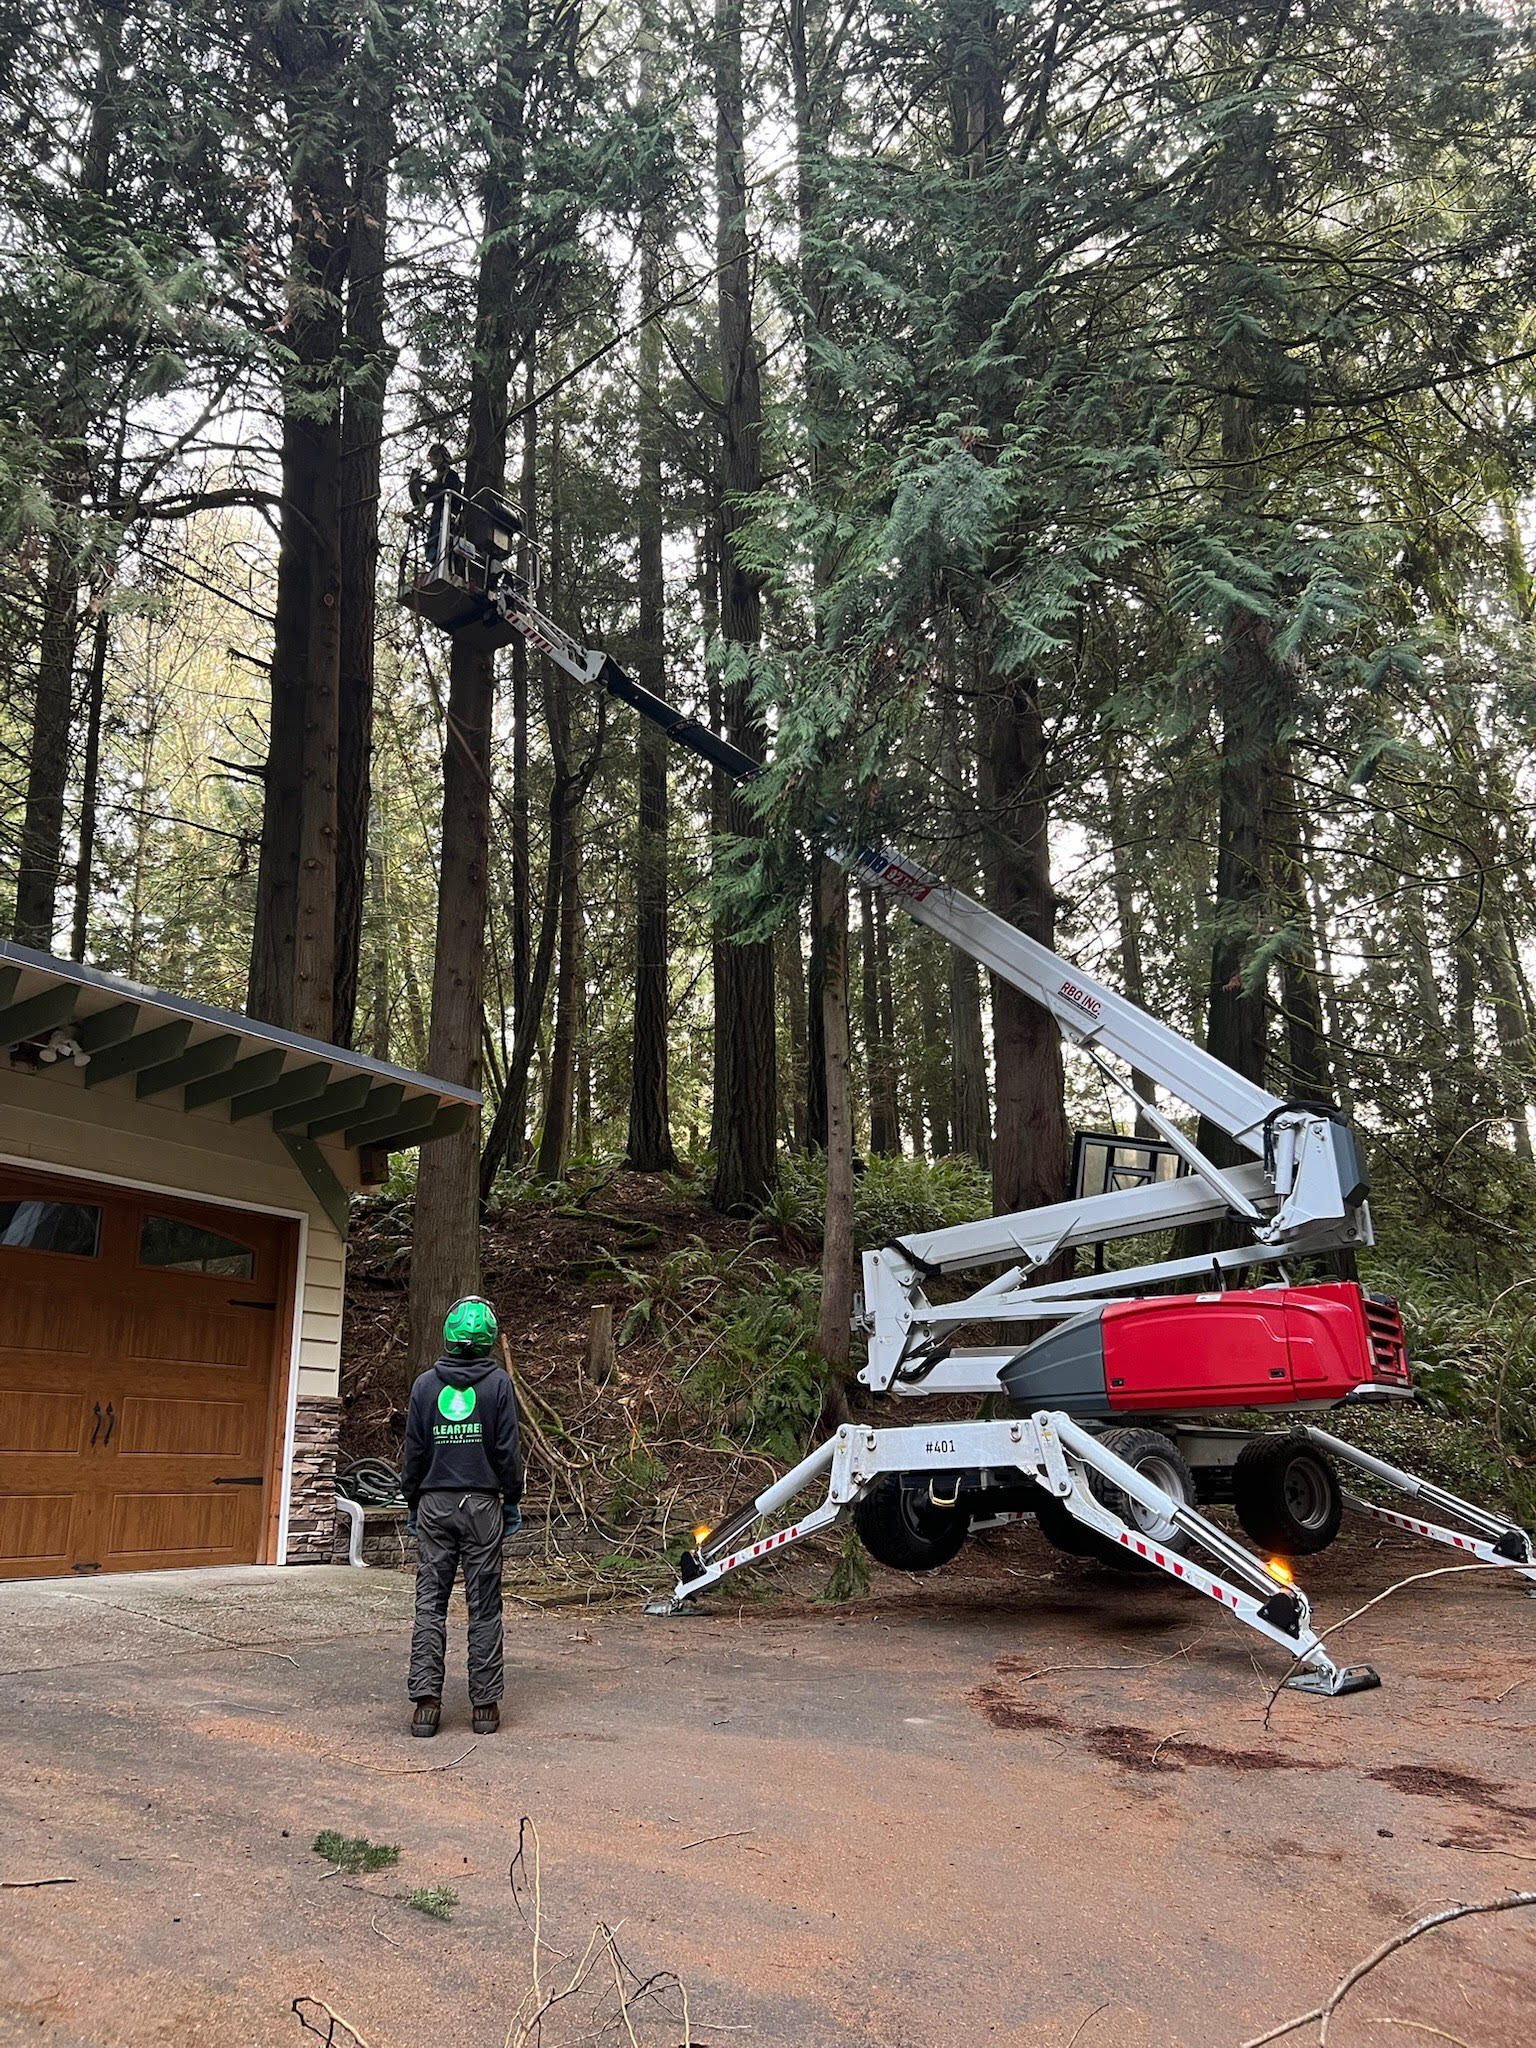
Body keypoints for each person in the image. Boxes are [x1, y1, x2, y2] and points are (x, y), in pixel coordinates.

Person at [401, 1296, 522, 1737]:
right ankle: (485, 1709)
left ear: (449, 1335)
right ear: (489, 1338)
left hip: (434, 1503)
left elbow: (414, 1451)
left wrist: (412, 1500)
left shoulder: (425, 1386)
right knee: (484, 1604)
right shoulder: (498, 1386)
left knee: (430, 1603)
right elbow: (507, 1450)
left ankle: (426, 1707)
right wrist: (511, 1499)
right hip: (483, 1506)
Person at [407, 442, 461, 571]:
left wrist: (428, 486)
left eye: (436, 457)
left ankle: (445, 567)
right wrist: (414, 485)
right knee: (434, 543)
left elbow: (448, 490)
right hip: (437, 519)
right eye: (432, 458)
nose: (434, 462)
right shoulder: (436, 481)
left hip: (448, 517)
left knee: (443, 543)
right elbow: (420, 500)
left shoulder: (452, 476)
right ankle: (435, 566)